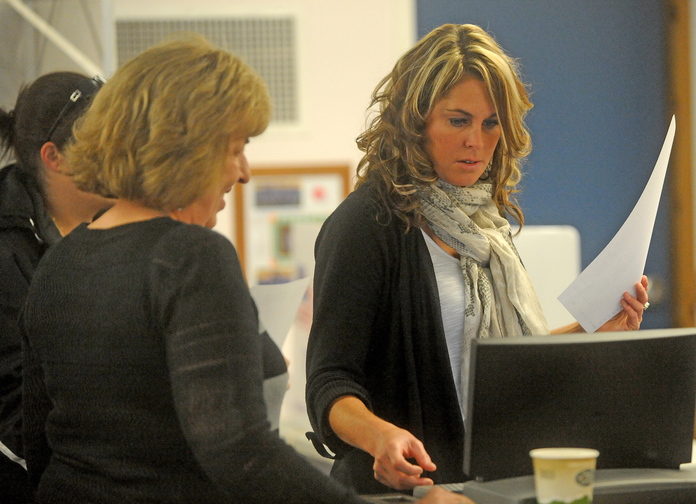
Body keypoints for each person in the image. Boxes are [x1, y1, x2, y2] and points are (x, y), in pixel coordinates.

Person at [19, 35, 470, 504]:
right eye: (235, 148)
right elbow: (241, 453)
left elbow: (39, 444)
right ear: (186, 147)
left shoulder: (59, 262)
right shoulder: (190, 258)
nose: (244, 172)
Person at [305, 23, 650, 495]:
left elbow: (495, 364)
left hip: (493, 484)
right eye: (458, 120)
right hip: (404, 491)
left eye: (491, 123)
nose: (476, 141)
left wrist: (593, 332)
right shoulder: (366, 225)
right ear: (415, 120)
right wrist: (381, 437)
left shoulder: (486, 228)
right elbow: (330, 383)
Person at [0, 71, 113, 502]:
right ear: (55, 157)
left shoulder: (122, 227)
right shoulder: (7, 252)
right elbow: (13, 414)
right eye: (104, 139)